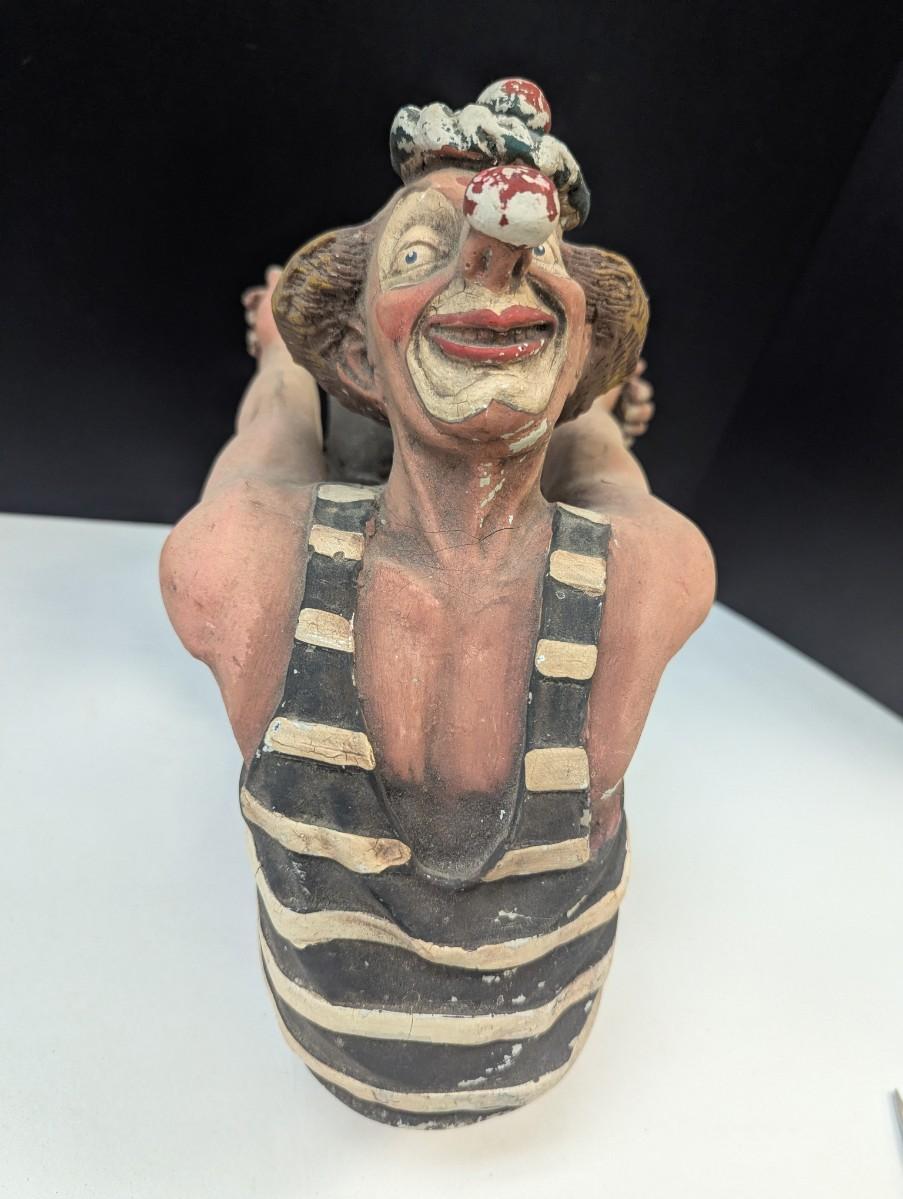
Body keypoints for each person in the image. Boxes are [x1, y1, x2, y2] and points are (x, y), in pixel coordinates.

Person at [161, 81, 715, 1127]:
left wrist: (279, 359)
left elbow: (268, 445)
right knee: (603, 477)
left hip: (330, 1048)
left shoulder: (238, 559)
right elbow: (607, 481)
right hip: (543, 1049)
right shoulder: (652, 569)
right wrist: (588, 409)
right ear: (356, 350)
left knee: (277, 466)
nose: (495, 254)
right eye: (423, 250)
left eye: (535, 255)